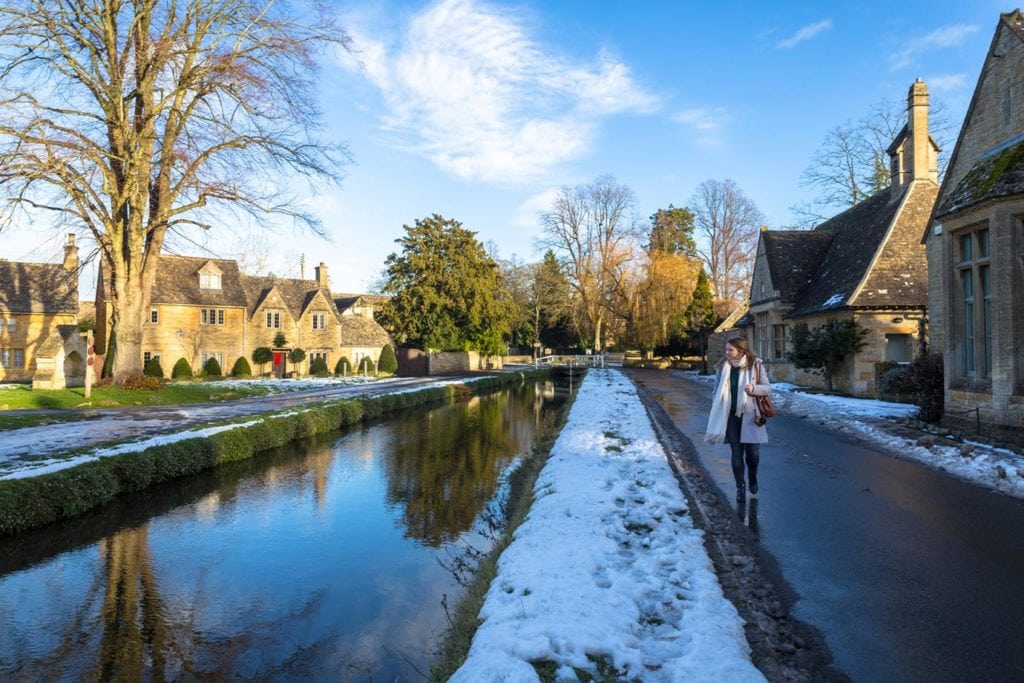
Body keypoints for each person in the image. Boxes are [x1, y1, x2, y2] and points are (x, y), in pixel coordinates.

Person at [704, 336, 771, 502]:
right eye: (726, 349)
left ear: (741, 350)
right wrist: (717, 408)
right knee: (736, 453)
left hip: (750, 416)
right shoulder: (723, 367)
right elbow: (715, 391)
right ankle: (740, 487)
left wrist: (754, 388)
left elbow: (767, 388)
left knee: (753, 455)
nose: (726, 352)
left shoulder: (755, 366)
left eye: (730, 350)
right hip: (730, 416)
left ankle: (753, 476)